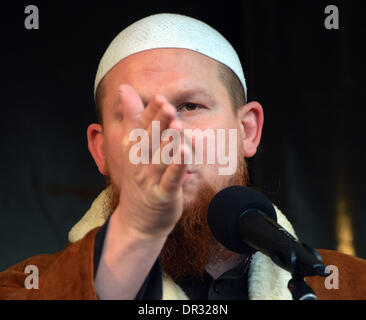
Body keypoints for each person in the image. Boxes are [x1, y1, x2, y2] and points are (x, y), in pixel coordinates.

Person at [1, 13, 365, 300]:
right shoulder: (24, 286)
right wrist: (133, 238)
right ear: (101, 150)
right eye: (137, 113)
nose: (165, 134)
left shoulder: (349, 285)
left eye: (190, 105)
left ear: (248, 131)